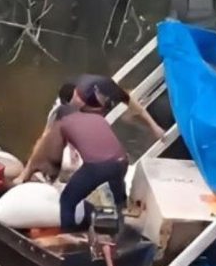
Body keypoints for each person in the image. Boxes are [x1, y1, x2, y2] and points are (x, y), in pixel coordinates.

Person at [13, 75, 164, 185]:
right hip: (67, 111)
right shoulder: (66, 108)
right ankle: (26, 173)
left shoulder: (107, 88)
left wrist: (154, 126)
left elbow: (134, 105)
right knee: (49, 141)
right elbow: (49, 134)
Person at [20, 104, 129, 231]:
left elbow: (54, 157)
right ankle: (123, 223)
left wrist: (51, 176)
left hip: (98, 167)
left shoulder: (63, 123)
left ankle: (69, 237)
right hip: (122, 161)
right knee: (117, 191)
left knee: (67, 201)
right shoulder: (96, 118)